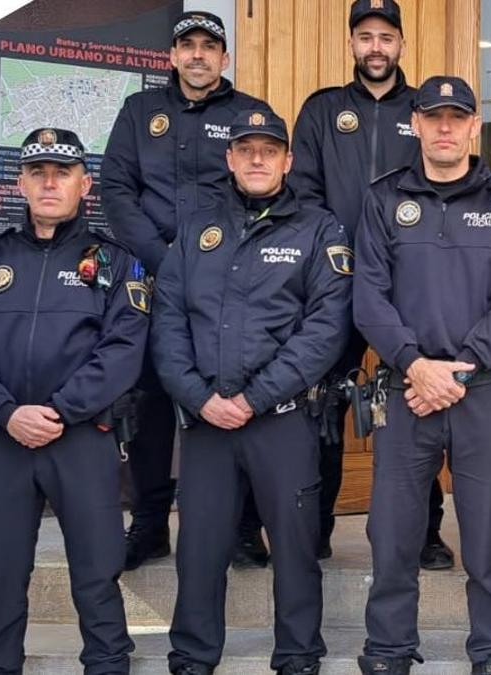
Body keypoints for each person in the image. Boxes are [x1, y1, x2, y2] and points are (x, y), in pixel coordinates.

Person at [353, 76, 491, 675]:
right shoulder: (383, 199)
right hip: (407, 393)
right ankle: (388, 648)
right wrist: (414, 363)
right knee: (393, 532)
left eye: (456, 117)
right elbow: (368, 298)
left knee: (489, 534)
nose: (443, 127)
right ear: (415, 122)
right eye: (432, 116)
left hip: (480, 392)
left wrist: (456, 371)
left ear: (471, 125)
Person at [153, 110, 351, 675]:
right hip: (207, 420)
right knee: (199, 549)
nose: (258, 159)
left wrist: (255, 397)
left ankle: (297, 655)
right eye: (247, 150)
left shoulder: (319, 229)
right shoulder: (196, 230)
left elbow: (325, 330)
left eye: (270, 150)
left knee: (294, 547)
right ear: (230, 158)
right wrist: (198, 396)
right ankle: (192, 656)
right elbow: (167, 322)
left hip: (281, 420)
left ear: (288, 161)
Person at [0, 128, 148, 674]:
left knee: (97, 565)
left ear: (86, 185)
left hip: (81, 436)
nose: (50, 182)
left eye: (63, 172)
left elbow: (123, 350)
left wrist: (58, 411)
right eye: (38, 173)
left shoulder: (113, 261)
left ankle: (107, 663)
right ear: (21, 184)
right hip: (3, 440)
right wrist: (9, 414)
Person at [102, 9, 275, 571]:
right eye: (188, 46)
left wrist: (212, 261)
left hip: (229, 283)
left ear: (225, 58)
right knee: (150, 401)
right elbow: (116, 190)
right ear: (172, 57)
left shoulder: (252, 114)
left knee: (236, 394)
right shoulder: (139, 112)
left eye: (209, 45)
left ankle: (247, 528)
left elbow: (260, 190)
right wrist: (165, 258)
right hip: (152, 278)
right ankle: (150, 524)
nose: (198, 54)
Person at [289, 0, 452, 568]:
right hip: (333, 286)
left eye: (386, 36)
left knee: (419, 402)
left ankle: (426, 532)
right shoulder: (322, 110)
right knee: (321, 410)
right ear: (352, 43)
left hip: (408, 289)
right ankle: (316, 528)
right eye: (365, 36)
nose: (376, 47)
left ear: (401, 43)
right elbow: (303, 196)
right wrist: (335, 256)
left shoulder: (426, 109)